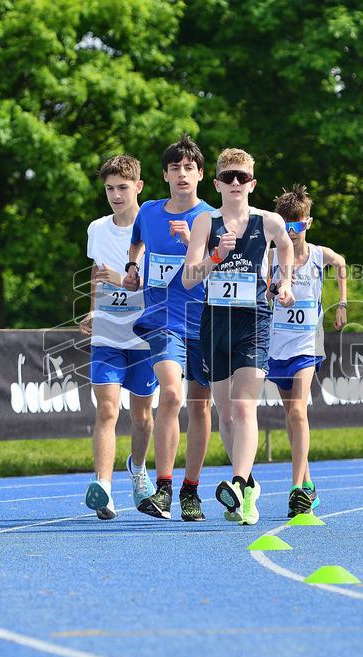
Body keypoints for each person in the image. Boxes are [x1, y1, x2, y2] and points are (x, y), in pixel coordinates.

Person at [182, 148, 295, 525]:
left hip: (254, 320)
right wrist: (215, 257)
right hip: (216, 322)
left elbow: (287, 247)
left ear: (252, 183)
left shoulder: (269, 221)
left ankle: (237, 481)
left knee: (245, 406)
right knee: (226, 415)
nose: (235, 182)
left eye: (241, 177)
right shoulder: (205, 222)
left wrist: (285, 281)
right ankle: (248, 488)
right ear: (216, 184)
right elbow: (188, 279)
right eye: (228, 177)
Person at [122, 134, 214, 521]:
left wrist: (195, 244)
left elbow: (226, 270)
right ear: (165, 175)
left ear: (201, 175)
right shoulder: (148, 212)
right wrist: (132, 267)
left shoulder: (212, 218)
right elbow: (136, 244)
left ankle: (191, 490)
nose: (182, 174)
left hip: (204, 322)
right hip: (162, 320)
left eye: (189, 168)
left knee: (199, 405)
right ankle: (163, 488)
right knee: (172, 394)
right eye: (175, 168)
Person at [81, 155, 158, 520]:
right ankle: (104, 488)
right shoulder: (97, 229)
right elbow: (97, 274)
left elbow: (158, 285)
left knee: (142, 417)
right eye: (110, 188)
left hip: (144, 334)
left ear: (138, 187)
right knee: (107, 410)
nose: (115, 195)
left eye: (123, 188)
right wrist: (93, 310)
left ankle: (138, 470)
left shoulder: (154, 228)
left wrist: (121, 280)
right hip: (108, 334)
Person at [267, 185, 347, 517]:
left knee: (299, 411)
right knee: (291, 415)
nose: (292, 232)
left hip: (306, 344)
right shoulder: (272, 256)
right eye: (286, 225)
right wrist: (274, 291)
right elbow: (265, 292)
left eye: (298, 225)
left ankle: (296, 489)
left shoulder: (318, 254)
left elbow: (341, 263)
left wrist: (342, 303)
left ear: (308, 223)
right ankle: (309, 486)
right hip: (278, 345)